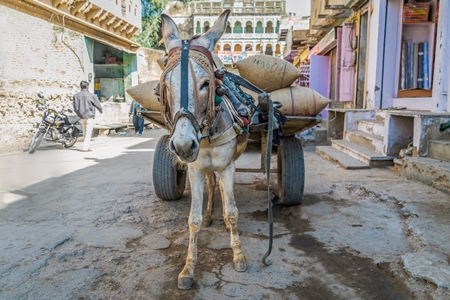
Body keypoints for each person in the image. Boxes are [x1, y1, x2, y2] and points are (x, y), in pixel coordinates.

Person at [73, 80, 103, 152]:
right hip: (89, 116)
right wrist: (100, 110)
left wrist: (80, 114)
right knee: (88, 132)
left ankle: (85, 146)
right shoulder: (91, 95)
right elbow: (97, 104)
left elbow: (75, 108)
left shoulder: (76, 96)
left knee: (84, 131)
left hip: (82, 116)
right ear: (87, 87)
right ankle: (85, 148)